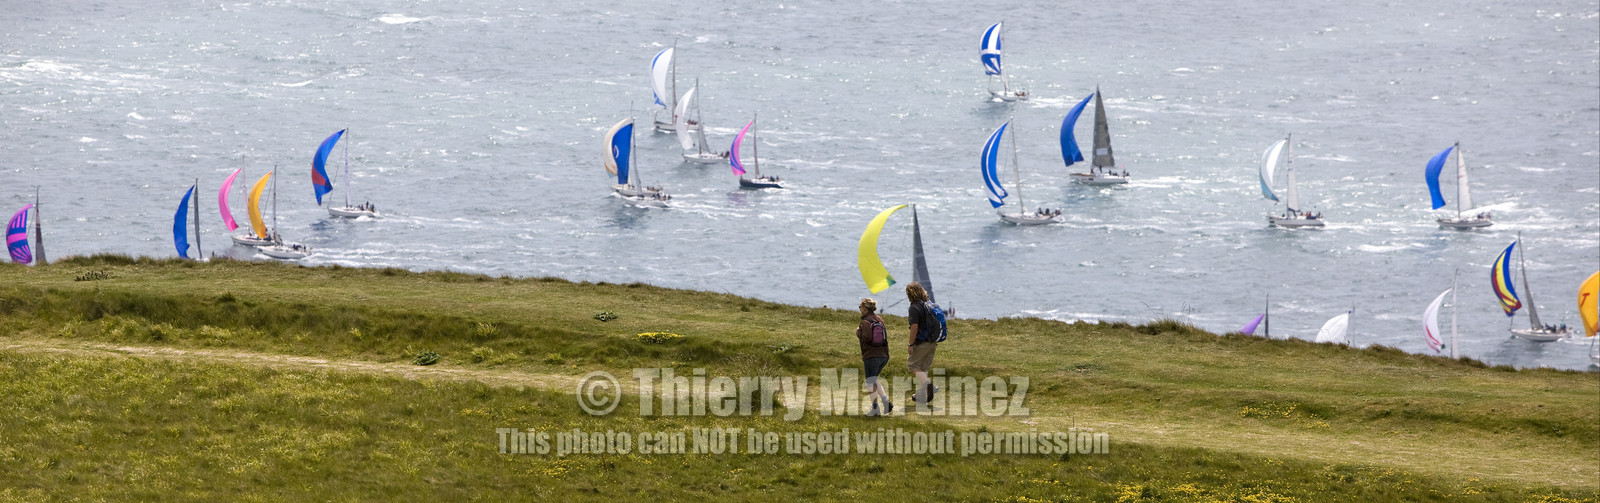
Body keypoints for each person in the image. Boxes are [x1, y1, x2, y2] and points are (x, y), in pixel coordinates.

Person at [855, 298, 893, 416]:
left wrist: (858, 333)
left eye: (860, 307)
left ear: (865, 308)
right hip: (883, 355)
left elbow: (867, 338)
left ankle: (875, 409)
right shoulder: (879, 319)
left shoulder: (865, 322)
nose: (859, 309)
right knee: (874, 378)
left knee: (870, 382)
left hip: (871, 356)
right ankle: (886, 402)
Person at [905, 282, 939, 406]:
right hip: (933, 342)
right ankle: (922, 396)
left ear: (910, 294)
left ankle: (929, 386)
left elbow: (914, 327)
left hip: (922, 342)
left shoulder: (914, 307)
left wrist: (910, 344)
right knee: (923, 369)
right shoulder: (928, 304)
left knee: (913, 365)